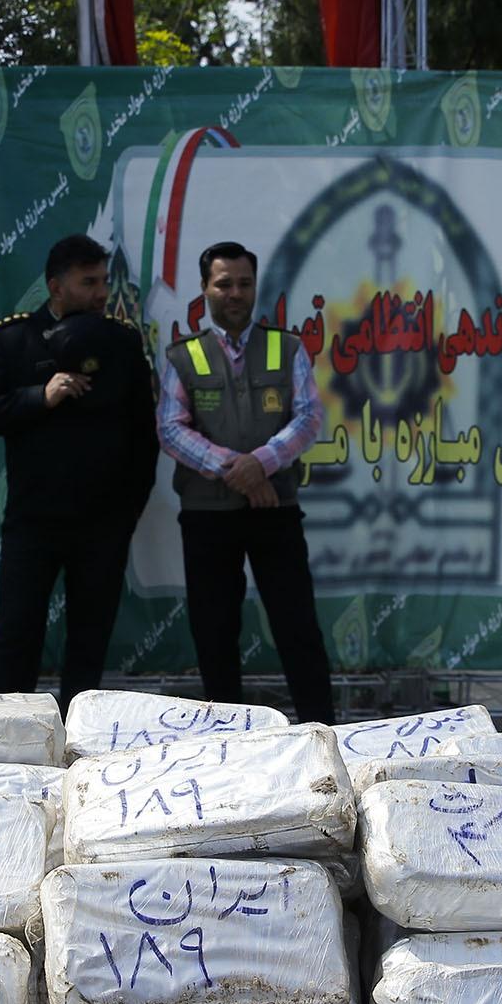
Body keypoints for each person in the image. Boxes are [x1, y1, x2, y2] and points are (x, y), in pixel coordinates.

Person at [0, 233, 158, 709]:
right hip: (35, 520)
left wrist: (127, 512)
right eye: (88, 282)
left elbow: (144, 436)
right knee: (16, 634)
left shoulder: (122, 341)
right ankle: (1, 734)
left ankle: (79, 741)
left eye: (103, 281)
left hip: (103, 522)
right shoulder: (14, 338)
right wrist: (40, 397)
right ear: (56, 287)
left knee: (90, 641)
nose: (100, 292)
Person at [157, 240, 336, 724]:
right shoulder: (183, 356)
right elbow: (170, 428)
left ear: (255, 287)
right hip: (207, 516)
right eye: (224, 284)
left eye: (244, 284)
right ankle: (228, 737)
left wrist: (261, 462)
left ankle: (321, 730)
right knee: (214, 631)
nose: (235, 293)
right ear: (204, 288)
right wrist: (235, 469)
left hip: (275, 510)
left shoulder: (287, 347)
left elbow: (308, 418)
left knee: (297, 626)